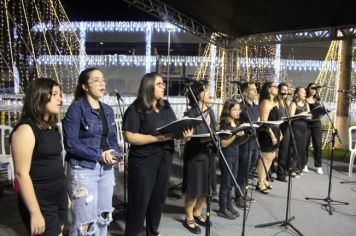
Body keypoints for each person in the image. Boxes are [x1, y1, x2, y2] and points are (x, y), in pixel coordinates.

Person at [122, 72, 192, 236]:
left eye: (163, 84)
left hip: (165, 158)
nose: (164, 86)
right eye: (159, 84)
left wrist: (184, 135)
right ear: (149, 86)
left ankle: (152, 232)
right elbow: (129, 136)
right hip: (143, 162)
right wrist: (156, 138)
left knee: (158, 200)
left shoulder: (166, 106)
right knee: (139, 203)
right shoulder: (136, 108)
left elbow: (174, 130)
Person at [63, 68, 122, 235]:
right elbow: (71, 144)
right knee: (85, 223)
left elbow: (112, 139)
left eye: (103, 79)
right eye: (96, 80)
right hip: (84, 170)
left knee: (104, 217)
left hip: (106, 170)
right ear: (84, 86)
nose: (102, 83)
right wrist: (98, 155)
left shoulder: (108, 110)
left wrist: (115, 155)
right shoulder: (76, 109)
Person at [11, 78, 67, 236]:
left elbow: (55, 163)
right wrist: (35, 213)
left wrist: (65, 195)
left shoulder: (52, 127)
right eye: (55, 94)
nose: (60, 99)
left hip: (58, 196)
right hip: (41, 200)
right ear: (40, 97)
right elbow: (21, 174)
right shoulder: (26, 129)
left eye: (60, 95)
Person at [182, 80, 216, 234]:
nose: (209, 92)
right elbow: (187, 136)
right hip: (195, 155)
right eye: (205, 90)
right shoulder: (191, 114)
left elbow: (214, 130)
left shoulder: (210, 110)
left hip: (209, 154)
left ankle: (197, 211)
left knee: (208, 189)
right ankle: (188, 216)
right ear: (197, 94)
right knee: (193, 189)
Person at [217, 99, 244, 220]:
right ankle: (222, 208)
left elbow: (238, 142)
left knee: (231, 183)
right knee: (226, 183)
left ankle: (229, 204)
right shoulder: (225, 124)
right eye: (235, 109)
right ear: (228, 111)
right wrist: (235, 135)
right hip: (227, 155)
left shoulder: (236, 123)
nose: (238, 111)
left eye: (239, 109)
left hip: (235, 155)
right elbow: (223, 144)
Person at [234, 82, 259, 208]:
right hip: (244, 143)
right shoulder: (240, 107)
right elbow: (235, 123)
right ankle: (238, 196)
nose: (255, 92)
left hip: (255, 143)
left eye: (255, 90)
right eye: (252, 90)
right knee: (242, 170)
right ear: (245, 93)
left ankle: (243, 192)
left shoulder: (256, 107)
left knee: (249, 171)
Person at [256, 82, 282, 194]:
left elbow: (277, 120)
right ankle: (260, 182)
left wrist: (279, 133)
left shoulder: (275, 102)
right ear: (268, 89)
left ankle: (264, 178)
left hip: (275, 130)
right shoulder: (265, 102)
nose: (276, 88)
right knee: (265, 157)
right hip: (267, 133)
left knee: (271, 157)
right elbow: (264, 121)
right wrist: (272, 135)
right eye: (274, 87)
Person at [290, 87, 311, 177]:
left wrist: (311, 116)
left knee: (302, 148)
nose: (304, 93)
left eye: (305, 92)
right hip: (296, 127)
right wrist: (301, 114)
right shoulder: (294, 103)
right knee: (296, 148)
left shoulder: (306, 104)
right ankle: (292, 168)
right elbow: (290, 116)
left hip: (305, 128)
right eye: (302, 92)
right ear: (297, 94)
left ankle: (299, 168)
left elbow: (309, 115)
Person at [306, 83, 324, 174]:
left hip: (317, 123)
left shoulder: (318, 99)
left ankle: (318, 165)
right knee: (306, 144)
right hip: (307, 124)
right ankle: (304, 163)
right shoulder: (305, 100)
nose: (313, 90)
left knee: (317, 145)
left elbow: (321, 110)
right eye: (312, 88)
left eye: (315, 88)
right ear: (308, 89)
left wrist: (321, 112)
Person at [276, 83, 291, 182]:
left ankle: (281, 173)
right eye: (283, 90)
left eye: (287, 90)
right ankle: (267, 172)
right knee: (272, 152)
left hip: (286, 128)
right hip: (278, 127)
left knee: (284, 151)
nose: (285, 92)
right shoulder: (276, 101)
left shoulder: (286, 103)